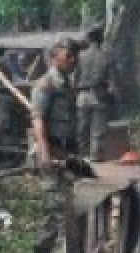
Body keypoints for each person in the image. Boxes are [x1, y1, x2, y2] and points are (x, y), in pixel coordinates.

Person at [30, 37, 79, 166]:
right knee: (51, 185)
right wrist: (44, 153)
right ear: (54, 57)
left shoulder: (66, 83)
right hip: (52, 151)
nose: (73, 60)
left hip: (67, 149)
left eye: (74, 56)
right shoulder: (46, 83)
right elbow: (38, 120)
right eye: (68, 56)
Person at [75, 25, 117, 159]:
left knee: (82, 128)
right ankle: (95, 155)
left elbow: (74, 79)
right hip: (99, 95)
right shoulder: (107, 57)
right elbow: (112, 82)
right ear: (101, 39)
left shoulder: (80, 57)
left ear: (89, 39)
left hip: (82, 95)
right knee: (97, 129)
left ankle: (81, 154)